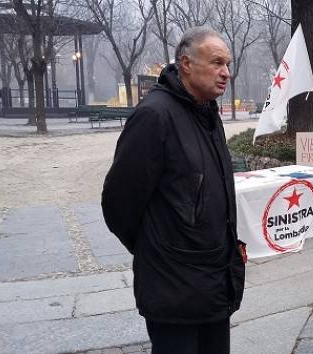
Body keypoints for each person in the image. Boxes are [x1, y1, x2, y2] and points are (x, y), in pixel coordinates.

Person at [101, 28, 246, 354]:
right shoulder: (154, 116)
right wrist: (156, 247)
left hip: (214, 282)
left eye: (228, 64)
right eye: (217, 63)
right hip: (173, 287)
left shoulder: (207, 112)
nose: (226, 72)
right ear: (186, 64)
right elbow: (118, 203)